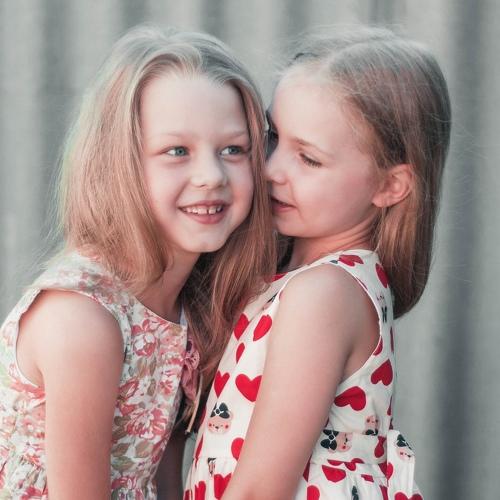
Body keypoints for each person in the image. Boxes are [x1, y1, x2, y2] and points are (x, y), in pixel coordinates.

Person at [0, 25, 275, 499]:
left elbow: (163, 483)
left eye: (233, 149)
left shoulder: (187, 310)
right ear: (119, 164)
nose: (211, 175)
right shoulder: (83, 318)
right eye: (177, 151)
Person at [184, 26, 451, 499]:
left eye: (308, 159)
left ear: (390, 186)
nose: (271, 169)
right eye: (273, 137)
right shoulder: (306, 280)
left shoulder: (324, 293)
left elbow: (259, 490)